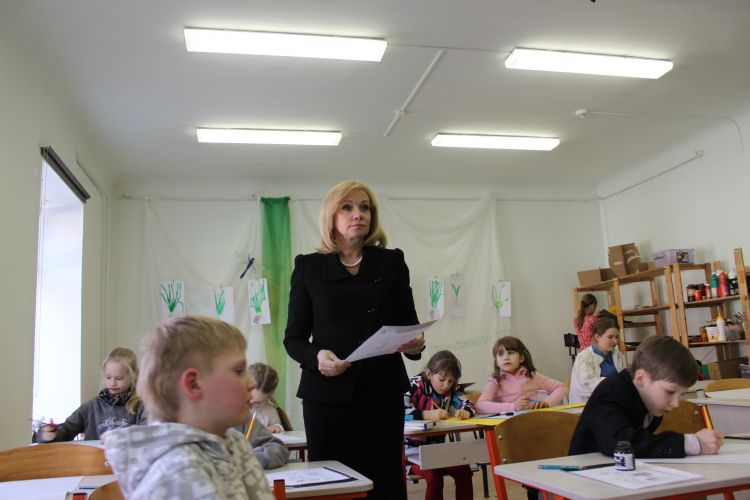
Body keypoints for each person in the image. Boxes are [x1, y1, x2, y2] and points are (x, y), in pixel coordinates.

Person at [284, 180, 425, 500]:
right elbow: (293, 338)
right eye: (347, 207)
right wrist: (316, 357)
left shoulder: (392, 262)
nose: (357, 214)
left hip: (381, 392)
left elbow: (409, 326)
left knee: (384, 480)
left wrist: (415, 343)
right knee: (333, 486)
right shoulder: (308, 266)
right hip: (327, 396)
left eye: (364, 207)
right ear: (330, 216)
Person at [104, 315, 274, 500]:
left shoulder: (235, 443)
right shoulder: (177, 473)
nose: (251, 383)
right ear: (194, 384)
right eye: (239, 371)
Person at [569, 335, 724, 458]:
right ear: (641, 378)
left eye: (681, 394)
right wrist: (690, 443)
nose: (676, 403)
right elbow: (620, 443)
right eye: (670, 392)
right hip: (585, 479)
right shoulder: (611, 391)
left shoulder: (650, 401)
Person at [405, 350, 476, 500]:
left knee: (463, 470)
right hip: (410, 453)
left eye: (451, 381)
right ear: (429, 374)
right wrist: (426, 414)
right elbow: (398, 413)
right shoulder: (413, 385)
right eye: (442, 379)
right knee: (434, 476)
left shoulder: (451, 389)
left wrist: (465, 412)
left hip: (437, 450)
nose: (446, 385)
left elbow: (468, 403)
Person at [35, 347, 146, 442]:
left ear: (133, 376)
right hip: (93, 459)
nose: (112, 383)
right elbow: (66, 430)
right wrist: (49, 435)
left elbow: (148, 436)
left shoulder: (142, 406)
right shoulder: (92, 406)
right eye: (108, 377)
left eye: (119, 378)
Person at [476, 336, 566, 414]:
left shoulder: (532, 375)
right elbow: (480, 406)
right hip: (506, 424)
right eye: (500, 354)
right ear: (497, 362)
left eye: (510, 353)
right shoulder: (495, 381)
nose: (506, 357)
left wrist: (547, 402)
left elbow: (561, 387)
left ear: (521, 358)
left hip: (533, 420)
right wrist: (512, 407)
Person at [569, 318, 627, 404]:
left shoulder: (619, 356)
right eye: (610, 337)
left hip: (613, 402)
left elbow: (624, 381)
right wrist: (617, 383)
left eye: (617, 337)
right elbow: (588, 386)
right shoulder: (584, 358)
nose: (615, 341)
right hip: (587, 405)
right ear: (597, 337)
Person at [247, 362, 284, 434]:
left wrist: (276, 427)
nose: (251, 402)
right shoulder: (235, 409)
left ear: (268, 397)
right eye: (248, 397)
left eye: (257, 402)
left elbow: (278, 428)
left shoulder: (270, 411)